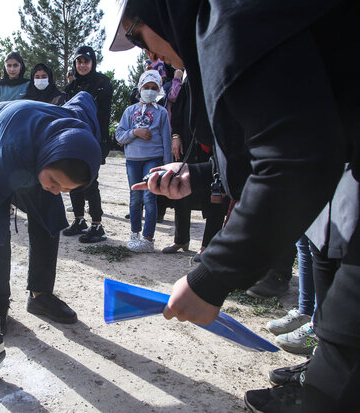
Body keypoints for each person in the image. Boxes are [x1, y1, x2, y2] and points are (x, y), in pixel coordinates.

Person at [111, 1, 359, 411]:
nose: (149, 55)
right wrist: (198, 174)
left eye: (137, 34)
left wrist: (211, 277)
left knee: (344, 356)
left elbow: (296, 161)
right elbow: (285, 137)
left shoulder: (233, 15)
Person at [0, 91, 102, 333]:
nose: (57, 190)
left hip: (35, 138)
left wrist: (54, 183)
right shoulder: (14, 151)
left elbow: (85, 97)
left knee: (50, 213)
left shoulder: (78, 134)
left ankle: (40, 296)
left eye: (67, 188)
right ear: (43, 160)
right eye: (54, 181)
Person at [160, 72, 228, 260]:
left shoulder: (216, 71)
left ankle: (207, 246)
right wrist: (176, 136)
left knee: (216, 193)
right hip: (189, 143)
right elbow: (179, 110)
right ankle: (181, 239)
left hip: (216, 145)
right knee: (180, 186)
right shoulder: (189, 80)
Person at [116, 70, 172, 252]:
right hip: (133, 160)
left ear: (159, 90)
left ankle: (148, 239)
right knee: (135, 198)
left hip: (153, 159)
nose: (149, 91)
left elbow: (166, 140)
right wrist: (135, 132)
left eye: (153, 88)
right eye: (146, 87)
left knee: (149, 198)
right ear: (140, 88)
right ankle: (134, 234)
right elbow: (119, 136)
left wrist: (168, 166)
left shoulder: (161, 113)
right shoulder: (129, 111)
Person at [63, 45, 113, 243]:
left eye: (86, 61)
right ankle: (79, 220)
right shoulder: (71, 87)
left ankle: (97, 225)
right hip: (74, 138)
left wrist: (101, 143)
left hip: (94, 138)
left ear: (93, 62)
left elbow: (104, 116)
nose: (82, 65)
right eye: (79, 61)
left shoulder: (102, 83)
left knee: (90, 181)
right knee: (73, 180)